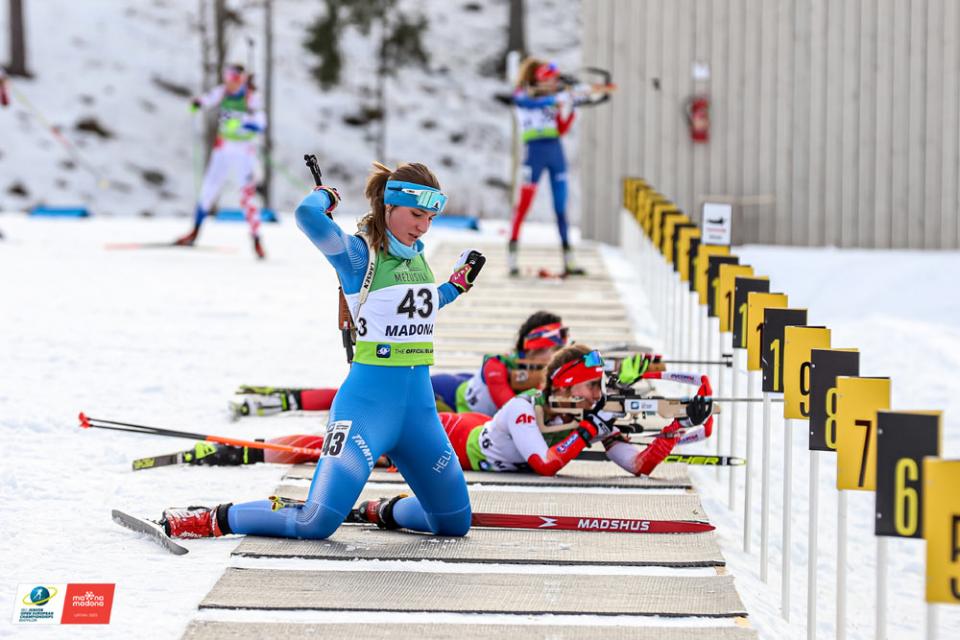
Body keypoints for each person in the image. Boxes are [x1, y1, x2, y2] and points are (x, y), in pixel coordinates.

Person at [159, 161, 485, 540]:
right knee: (315, 522)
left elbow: (419, 305)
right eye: (416, 215)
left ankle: (381, 511)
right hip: (366, 411)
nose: (423, 226)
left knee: (453, 524)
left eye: (429, 217)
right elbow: (306, 216)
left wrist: (455, 286)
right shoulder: (359, 255)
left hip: (419, 416)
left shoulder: (417, 258)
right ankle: (215, 517)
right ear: (389, 207)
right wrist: (324, 195)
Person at [229, 310, 568, 417]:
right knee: (370, 397)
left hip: (463, 409)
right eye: (553, 347)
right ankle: (286, 399)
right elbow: (509, 404)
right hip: (446, 393)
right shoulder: (498, 364)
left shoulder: (538, 375)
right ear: (535, 347)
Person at [507, 59, 612, 277]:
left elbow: (560, 129)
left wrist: (572, 109)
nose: (554, 84)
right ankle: (512, 259)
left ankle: (569, 262)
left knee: (561, 208)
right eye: (549, 80)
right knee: (523, 206)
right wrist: (559, 97)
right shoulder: (522, 94)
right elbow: (528, 103)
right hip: (533, 155)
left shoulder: (552, 100)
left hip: (555, 153)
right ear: (539, 79)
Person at [174, 64, 267, 258]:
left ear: (241, 79)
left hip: (243, 151)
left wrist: (247, 122)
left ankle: (257, 240)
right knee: (208, 188)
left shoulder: (250, 97)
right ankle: (194, 232)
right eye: (227, 76)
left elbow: (260, 122)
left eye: (234, 77)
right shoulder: (223, 92)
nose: (229, 81)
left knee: (247, 195)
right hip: (223, 148)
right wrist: (198, 103)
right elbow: (208, 99)